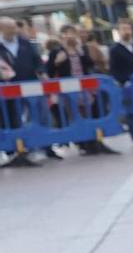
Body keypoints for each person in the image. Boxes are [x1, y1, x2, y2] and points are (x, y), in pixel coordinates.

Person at [47, 25, 117, 157]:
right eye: (66, 33)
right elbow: (50, 71)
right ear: (61, 35)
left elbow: (89, 64)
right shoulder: (56, 52)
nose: (70, 36)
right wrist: (56, 62)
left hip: (85, 89)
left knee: (90, 114)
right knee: (75, 116)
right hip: (67, 90)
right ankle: (83, 144)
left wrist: (80, 51)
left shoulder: (82, 49)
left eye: (72, 33)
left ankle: (95, 141)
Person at [1, 16, 44, 167]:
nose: (14, 30)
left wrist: (41, 71)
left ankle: (36, 146)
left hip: (29, 86)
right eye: (10, 28)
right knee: (11, 118)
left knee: (33, 115)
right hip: (7, 90)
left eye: (15, 27)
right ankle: (14, 149)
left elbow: (37, 60)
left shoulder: (25, 43)